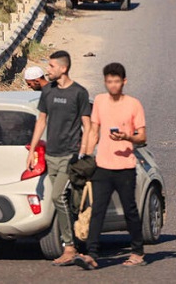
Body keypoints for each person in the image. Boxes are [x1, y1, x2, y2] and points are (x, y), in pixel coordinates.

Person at [74, 63, 146, 270]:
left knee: (130, 210)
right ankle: (92, 254)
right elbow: (93, 131)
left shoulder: (134, 104)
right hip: (102, 166)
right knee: (98, 210)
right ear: (105, 82)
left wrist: (126, 136)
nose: (112, 85)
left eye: (116, 81)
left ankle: (137, 252)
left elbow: (142, 137)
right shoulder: (99, 101)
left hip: (125, 167)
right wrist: (85, 156)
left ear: (124, 82)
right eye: (109, 81)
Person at [26, 51, 92, 266]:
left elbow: (88, 125)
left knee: (57, 197)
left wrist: (83, 153)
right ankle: (78, 240)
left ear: (63, 69)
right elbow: (41, 121)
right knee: (66, 201)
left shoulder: (79, 93)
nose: (48, 70)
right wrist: (32, 150)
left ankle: (69, 246)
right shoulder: (47, 92)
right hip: (52, 154)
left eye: (52, 66)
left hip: (70, 155)